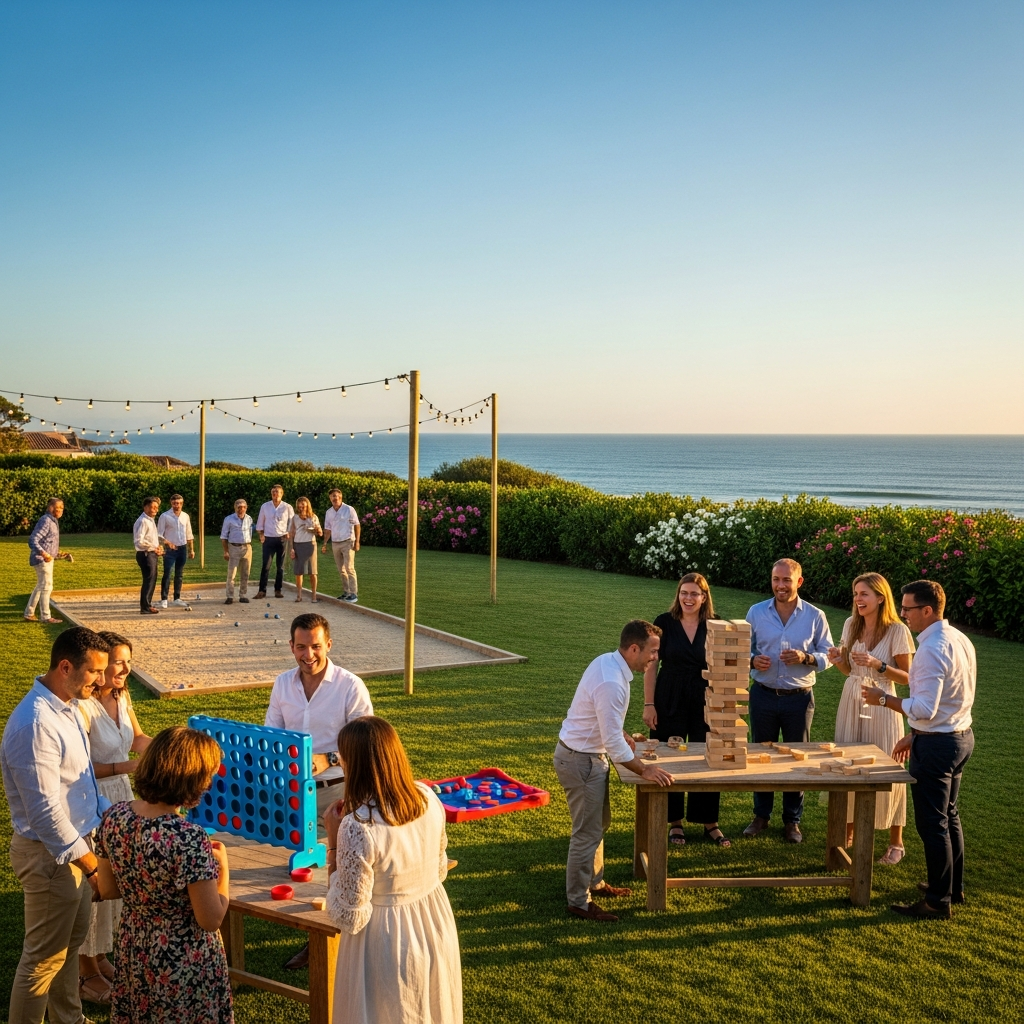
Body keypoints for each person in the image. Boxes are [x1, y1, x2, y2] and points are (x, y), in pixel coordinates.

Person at [1, 627, 110, 1024]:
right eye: (94, 671)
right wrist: (91, 865)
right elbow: (44, 812)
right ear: (65, 667)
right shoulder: (35, 723)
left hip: (75, 850)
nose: (101, 680)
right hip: (51, 858)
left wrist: (113, 817)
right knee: (42, 960)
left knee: (69, 947)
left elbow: (81, 786)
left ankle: (69, 1019)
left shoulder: (68, 707)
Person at [324, 716, 462, 1024]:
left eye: (342, 757)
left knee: (389, 1013)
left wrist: (333, 844)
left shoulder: (357, 826)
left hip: (385, 940)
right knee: (430, 1008)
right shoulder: (427, 797)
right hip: (434, 924)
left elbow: (350, 916)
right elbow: (439, 868)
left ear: (354, 764)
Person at [95, 726, 233, 1022]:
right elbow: (210, 919)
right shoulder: (189, 837)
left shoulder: (114, 817)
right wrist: (222, 870)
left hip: (136, 947)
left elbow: (108, 889)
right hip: (182, 960)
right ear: (192, 779)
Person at [861, 580, 976, 919]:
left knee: (933, 824)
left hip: (938, 745)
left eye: (908, 608)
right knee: (949, 815)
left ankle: (937, 902)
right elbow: (954, 695)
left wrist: (884, 699)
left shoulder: (930, 648)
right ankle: (952, 887)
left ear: (927, 610)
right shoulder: (959, 638)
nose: (904, 614)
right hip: (960, 737)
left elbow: (925, 707)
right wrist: (915, 735)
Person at [265, 612, 373, 969]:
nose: (308, 654)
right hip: (294, 794)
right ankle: (317, 937)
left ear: (328, 644)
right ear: (291, 646)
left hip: (340, 790)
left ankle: (331, 945)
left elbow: (366, 744)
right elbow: (273, 736)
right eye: (301, 647)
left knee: (340, 868)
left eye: (315, 646)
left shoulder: (350, 686)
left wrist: (328, 758)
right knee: (304, 872)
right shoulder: (282, 684)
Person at [554, 620, 673, 923]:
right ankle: (579, 901)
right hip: (581, 761)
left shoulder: (608, 662)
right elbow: (613, 745)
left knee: (598, 825)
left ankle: (595, 883)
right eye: (652, 652)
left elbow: (604, 722)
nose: (655, 658)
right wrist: (644, 770)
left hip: (587, 757)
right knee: (586, 833)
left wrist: (621, 733)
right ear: (634, 649)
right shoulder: (612, 682)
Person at [76, 631, 153, 1006]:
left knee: (115, 881)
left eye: (127, 661)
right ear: (101, 665)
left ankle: (102, 957)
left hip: (121, 798)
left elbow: (136, 738)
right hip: (92, 800)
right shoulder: (83, 707)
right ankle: (85, 972)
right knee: (93, 885)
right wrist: (128, 767)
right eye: (118, 662)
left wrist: (167, 747)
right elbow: (80, 768)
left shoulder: (122, 696)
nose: (125, 669)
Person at [826, 573, 915, 864]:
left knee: (889, 767)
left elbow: (907, 678)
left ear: (880, 597)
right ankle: (850, 830)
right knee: (850, 764)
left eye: (864, 594)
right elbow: (848, 670)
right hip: (852, 700)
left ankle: (896, 842)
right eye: (856, 593)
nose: (858, 599)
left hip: (883, 702)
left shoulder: (898, 630)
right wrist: (838, 661)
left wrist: (879, 665)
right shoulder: (850, 624)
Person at [744, 558, 833, 843]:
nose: (780, 585)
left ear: (799, 582)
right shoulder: (756, 612)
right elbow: (742, 650)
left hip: (799, 699)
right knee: (761, 756)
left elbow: (829, 655)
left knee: (796, 758)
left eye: (786, 580)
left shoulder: (815, 616)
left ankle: (792, 820)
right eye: (776, 579)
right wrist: (752, 661)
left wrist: (805, 657)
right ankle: (761, 816)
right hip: (763, 694)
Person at [643, 573, 730, 848]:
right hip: (669, 695)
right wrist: (649, 704)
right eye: (684, 592)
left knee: (707, 754)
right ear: (678, 594)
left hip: (706, 697)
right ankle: (675, 821)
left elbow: (727, 664)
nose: (688, 598)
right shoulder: (663, 622)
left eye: (694, 594)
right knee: (669, 755)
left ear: (704, 597)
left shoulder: (716, 624)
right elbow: (650, 666)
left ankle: (709, 821)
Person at [24, 497, 73, 624]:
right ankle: (46, 617)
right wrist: (44, 553)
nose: (61, 510)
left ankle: (29, 613)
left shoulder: (53, 521)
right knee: (47, 586)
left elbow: (48, 543)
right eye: (58, 507)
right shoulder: (46, 520)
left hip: (45, 559)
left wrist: (61, 555)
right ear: (51, 507)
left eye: (62, 507)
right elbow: (33, 540)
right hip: (41, 559)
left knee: (40, 586)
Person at [322, 487, 361, 603]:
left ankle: (354, 593)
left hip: (348, 541)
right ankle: (346, 592)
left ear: (340, 496)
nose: (334, 498)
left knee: (349, 568)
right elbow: (328, 529)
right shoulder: (329, 512)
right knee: (341, 569)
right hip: (335, 543)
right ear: (330, 498)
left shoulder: (349, 509)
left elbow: (357, 525)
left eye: (336, 496)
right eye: (332, 496)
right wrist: (325, 543)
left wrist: (357, 542)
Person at [255, 484, 293, 599]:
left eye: (277, 492)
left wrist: (288, 532)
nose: (275, 494)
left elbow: (291, 522)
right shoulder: (265, 506)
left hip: (282, 539)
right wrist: (261, 534)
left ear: (282, 493)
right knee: (266, 565)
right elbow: (260, 522)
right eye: (273, 492)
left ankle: (278, 590)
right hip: (268, 539)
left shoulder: (287, 507)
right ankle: (262, 591)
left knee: (280, 567)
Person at [156, 493, 195, 609]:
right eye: (174, 503)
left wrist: (191, 550)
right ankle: (164, 599)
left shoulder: (185, 516)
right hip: (170, 550)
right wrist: (166, 544)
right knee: (167, 573)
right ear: (171, 503)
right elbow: (159, 534)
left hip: (182, 548)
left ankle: (177, 598)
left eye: (178, 503)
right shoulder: (164, 516)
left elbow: (189, 534)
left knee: (179, 574)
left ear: (182, 504)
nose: (176, 505)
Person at [132, 497, 164, 615]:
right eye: (152, 507)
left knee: (151, 579)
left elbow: (151, 538)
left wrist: (158, 547)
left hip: (150, 553)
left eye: (156, 507)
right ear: (145, 507)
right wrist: (153, 548)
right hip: (145, 554)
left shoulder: (150, 520)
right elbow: (139, 541)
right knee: (149, 580)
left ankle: (147, 605)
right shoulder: (143, 521)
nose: (155, 509)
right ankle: (145, 607)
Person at [288, 496, 323, 603]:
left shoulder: (313, 517)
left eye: (303, 505)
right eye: (299, 505)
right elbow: (291, 534)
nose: (301, 507)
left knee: (313, 572)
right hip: (298, 545)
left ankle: (314, 595)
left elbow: (320, 533)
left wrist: (315, 530)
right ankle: (299, 595)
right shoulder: (295, 518)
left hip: (310, 545)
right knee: (299, 572)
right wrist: (292, 549)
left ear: (307, 505)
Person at [220, 499, 254, 605]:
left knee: (245, 573)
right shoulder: (229, 519)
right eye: (239, 507)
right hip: (233, 547)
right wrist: (226, 551)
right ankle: (230, 596)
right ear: (235, 508)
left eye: (244, 507)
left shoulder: (249, 519)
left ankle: (243, 595)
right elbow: (223, 537)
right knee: (232, 573)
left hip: (247, 547)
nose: (241, 509)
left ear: (246, 508)